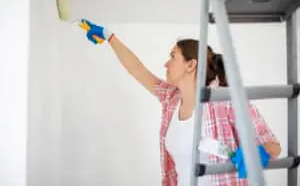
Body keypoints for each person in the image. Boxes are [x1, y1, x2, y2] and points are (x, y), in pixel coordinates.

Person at [81, 19, 282, 186]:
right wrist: (109, 36)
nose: (165, 63)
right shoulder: (171, 100)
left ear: (191, 65)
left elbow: (272, 145)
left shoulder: (226, 100)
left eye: (172, 57)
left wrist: (255, 154)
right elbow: (136, 69)